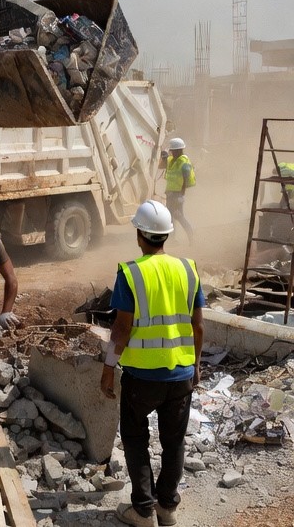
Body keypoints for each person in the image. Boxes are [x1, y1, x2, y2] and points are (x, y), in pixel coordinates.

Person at [100, 199, 204, 527]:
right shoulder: (188, 269)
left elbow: (121, 328)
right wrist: (196, 365)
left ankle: (143, 510)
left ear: (139, 235)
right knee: (174, 442)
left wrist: (107, 368)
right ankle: (167, 508)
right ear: (167, 236)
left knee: (134, 438)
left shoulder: (131, 272)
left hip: (141, 377)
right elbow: (198, 325)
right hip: (181, 374)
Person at [160, 137, 195, 244]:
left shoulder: (183, 161)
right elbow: (161, 166)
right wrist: (164, 157)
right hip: (170, 193)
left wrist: (181, 194)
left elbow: (185, 179)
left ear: (179, 150)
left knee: (178, 216)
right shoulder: (171, 160)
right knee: (171, 217)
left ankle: (191, 235)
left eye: (173, 150)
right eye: (171, 151)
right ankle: (173, 240)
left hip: (177, 194)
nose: (172, 152)